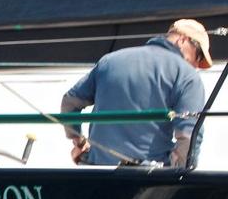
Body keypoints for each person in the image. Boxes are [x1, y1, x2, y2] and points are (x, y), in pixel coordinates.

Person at [60, 19, 212, 167]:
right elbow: (189, 135)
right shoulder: (187, 76)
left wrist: (79, 141)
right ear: (183, 40)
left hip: (97, 171)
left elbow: (69, 103)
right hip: (148, 179)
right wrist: (177, 172)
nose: (197, 65)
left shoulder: (110, 60)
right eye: (198, 56)